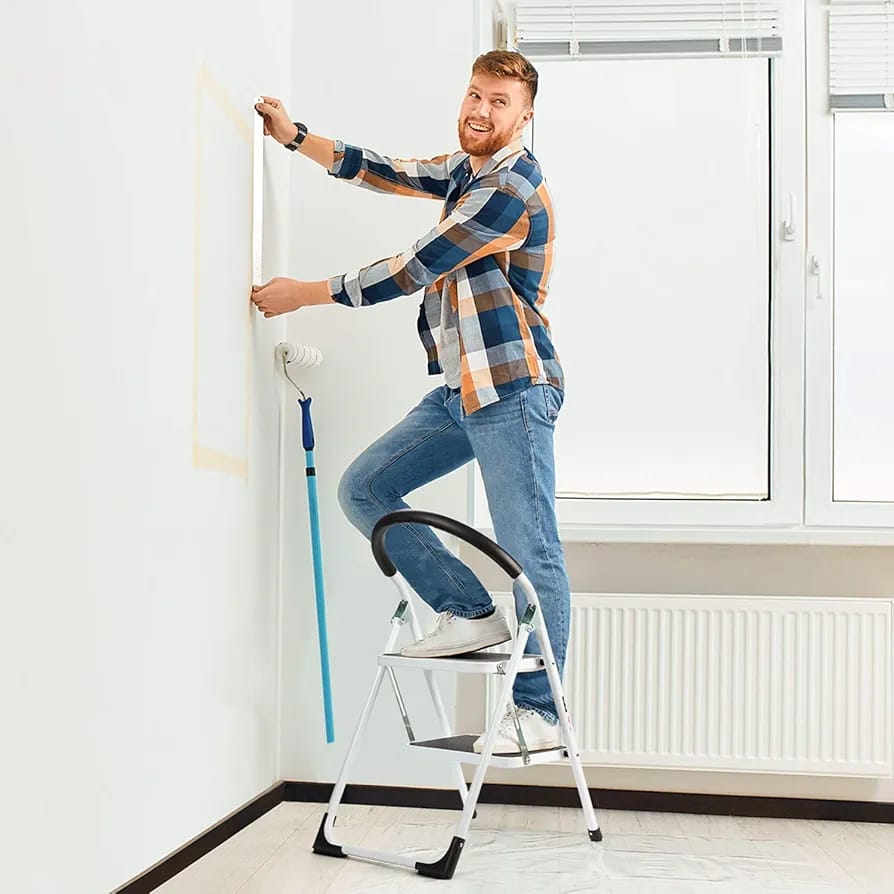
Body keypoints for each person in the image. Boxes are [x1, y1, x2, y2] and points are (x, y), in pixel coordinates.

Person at [254, 51, 569, 754]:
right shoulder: (467, 171)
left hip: (514, 388)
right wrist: (296, 138)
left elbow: (416, 266)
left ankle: (540, 710)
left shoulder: (511, 186)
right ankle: (468, 611)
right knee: (365, 488)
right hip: (465, 390)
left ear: (525, 117)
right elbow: (389, 169)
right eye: (474, 95)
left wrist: (304, 294)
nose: (480, 111)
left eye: (499, 102)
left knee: (530, 548)